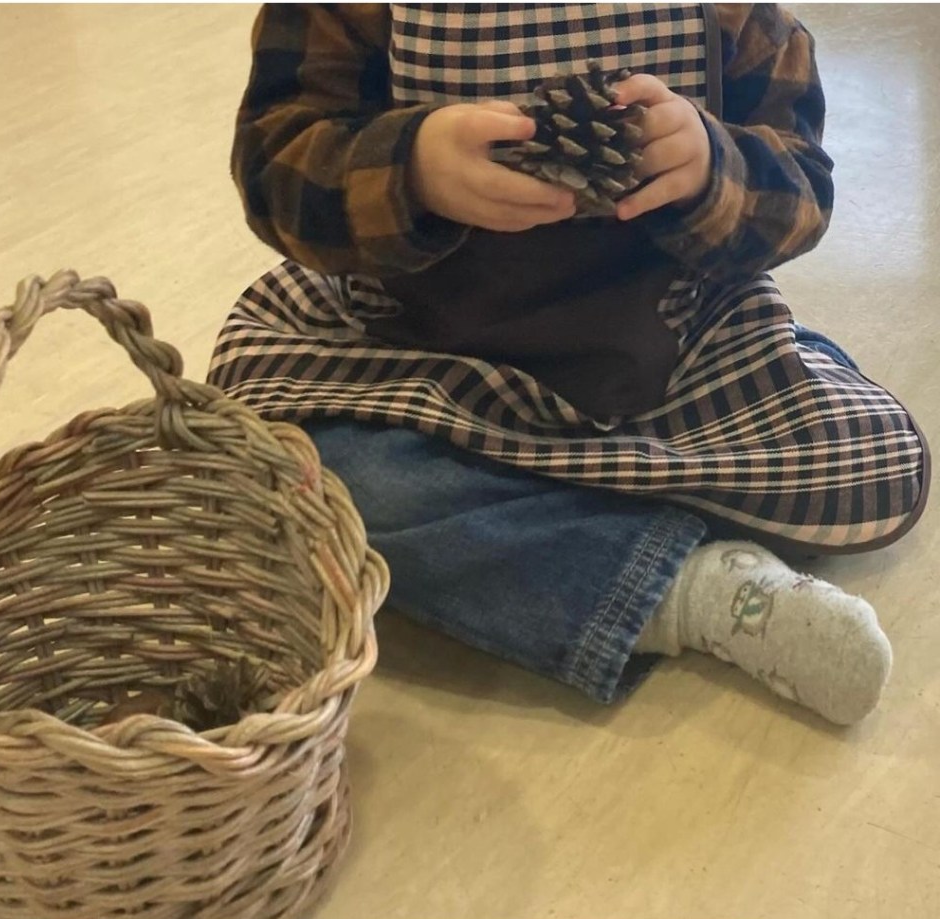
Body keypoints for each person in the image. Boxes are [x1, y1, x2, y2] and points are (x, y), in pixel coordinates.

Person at [209, 3, 930, 725]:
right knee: (303, 473)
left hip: (666, 359)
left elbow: (800, 188)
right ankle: (693, 588)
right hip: (416, 368)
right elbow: (274, 162)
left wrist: (714, 165)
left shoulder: (732, 14)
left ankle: (541, 523)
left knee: (872, 468)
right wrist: (412, 167)